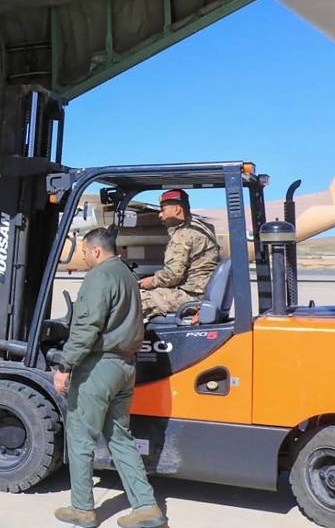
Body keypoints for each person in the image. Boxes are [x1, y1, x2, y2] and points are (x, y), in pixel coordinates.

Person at [52, 228, 166, 528]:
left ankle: (82, 509)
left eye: (86, 253)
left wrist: (65, 365)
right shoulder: (127, 276)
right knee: (119, 438)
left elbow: (87, 326)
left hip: (98, 368)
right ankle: (146, 507)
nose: (86, 258)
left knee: (80, 437)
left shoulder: (99, 277)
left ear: (96, 251)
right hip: (125, 368)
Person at [138, 188, 220, 320]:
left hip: (191, 296)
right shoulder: (200, 227)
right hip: (201, 292)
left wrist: (151, 281)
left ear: (177, 209)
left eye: (163, 209)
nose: (160, 215)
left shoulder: (184, 234)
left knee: (133, 301)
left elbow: (173, 275)